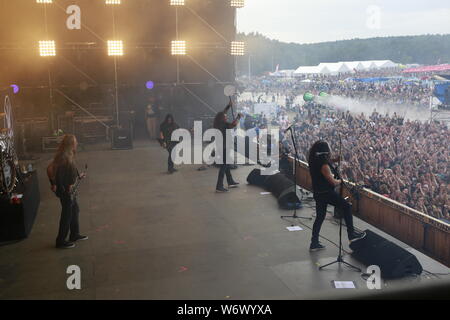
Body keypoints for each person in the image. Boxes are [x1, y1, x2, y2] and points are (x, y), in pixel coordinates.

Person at [308, 140, 365, 251]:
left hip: (318, 193)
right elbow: (333, 182)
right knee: (347, 206)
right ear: (325, 152)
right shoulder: (324, 166)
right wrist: (341, 180)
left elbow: (327, 161)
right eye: (328, 150)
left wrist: (336, 160)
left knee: (320, 217)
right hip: (326, 193)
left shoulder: (314, 160)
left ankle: (314, 242)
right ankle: (351, 234)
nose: (330, 151)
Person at [50, 135, 88, 249]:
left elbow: (70, 171)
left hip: (70, 190)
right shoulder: (63, 157)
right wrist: (57, 184)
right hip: (66, 192)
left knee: (75, 210)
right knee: (67, 215)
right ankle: (60, 240)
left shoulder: (69, 154)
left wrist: (78, 176)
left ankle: (74, 234)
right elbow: (53, 170)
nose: (77, 143)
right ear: (71, 144)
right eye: (75, 142)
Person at [213, 100, 242, 192]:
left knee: (226, 165)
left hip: (221, 147)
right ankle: (219, 186)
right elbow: (233, 124)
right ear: (222, 118)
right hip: (224, 147)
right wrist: (238, 117)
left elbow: (222, 113)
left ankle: (230, 181)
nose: (226, 117)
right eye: (225, 117)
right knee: (224, 166)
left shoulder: (217, 123)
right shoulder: (223, 124)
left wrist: (228, 106)